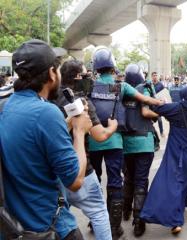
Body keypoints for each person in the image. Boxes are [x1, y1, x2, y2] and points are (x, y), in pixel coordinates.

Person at [0, 39, 92, 239]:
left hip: (15, 227)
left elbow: (31, 140)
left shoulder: (7, 106)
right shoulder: (46, 113)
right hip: (49, 227)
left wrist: (66, 123)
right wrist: (79, 131)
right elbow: (75, 181)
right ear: (52, 73)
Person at [88, 47, 162, 238]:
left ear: (95, 67)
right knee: (116, 182)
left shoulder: (90, 86)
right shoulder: (121, 86)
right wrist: (160, 104)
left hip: (94, 139)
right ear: (113, 67)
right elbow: (144, 100)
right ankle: (115, 227)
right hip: (114, 140)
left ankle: (95, 219)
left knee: (95, 180)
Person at [54, 59, 118, 240]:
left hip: (54, 171)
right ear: (77, 76)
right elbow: (100, 135)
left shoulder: (50, 97)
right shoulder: (81, 101)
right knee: (98, 212)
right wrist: (113, 126)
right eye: (86, 75)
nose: (90, 78)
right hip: (80, 169)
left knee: (60, 214)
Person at [140, 87, 187, 234]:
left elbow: (156, 107)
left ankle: (175, 219)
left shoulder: (175, 108)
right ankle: (179, 208)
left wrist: (161, 102)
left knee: (171, 181)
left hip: (175, 149)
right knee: (186, 181)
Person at [121, 64, 159, 237]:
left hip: (126, 143)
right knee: (141, 181)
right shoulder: (144, 88)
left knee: (128, 178)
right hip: (144, 141)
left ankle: (125, 211)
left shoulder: (122, 90)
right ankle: (139, 222)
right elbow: (145, 111)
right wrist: (158, 113)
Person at [151, 71, 165, 137]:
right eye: (153, 75)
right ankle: (151, 132)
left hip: (158, 104)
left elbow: (164, 93)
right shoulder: (150, 84)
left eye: (156, 75)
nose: (155, 77)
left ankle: (161, 132)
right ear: (152, 76)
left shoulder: (161, 85)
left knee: (159, 119)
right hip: (151, 104)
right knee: (150, 120)